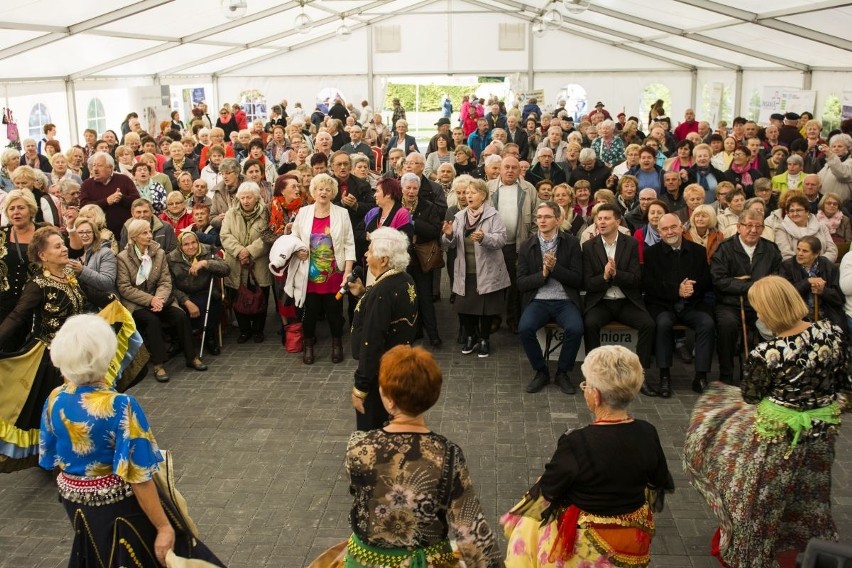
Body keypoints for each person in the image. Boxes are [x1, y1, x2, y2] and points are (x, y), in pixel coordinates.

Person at [685, 276, 849, 568]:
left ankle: (753, 557)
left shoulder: (767, 353)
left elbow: (750, 395)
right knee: (809, 500)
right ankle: (807, 554)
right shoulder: (832, 333)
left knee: (759, 506)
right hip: (821, 439)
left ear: (772, 310)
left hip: (778, 444)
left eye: (759, 309)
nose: (757, 315)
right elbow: (844, 383)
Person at [39, 314, 224, 567]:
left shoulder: (54, 398)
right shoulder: (120, 405)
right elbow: (139, 476)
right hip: (121, 512)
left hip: (77, 507)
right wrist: (163, 527)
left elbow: (50, 458)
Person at [323, 345, 501, 566]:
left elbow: (358, 493)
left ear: (390, 401)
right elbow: (471, 529)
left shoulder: (359, 446)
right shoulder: (447, 454)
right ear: (432, 397)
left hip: (365, 561)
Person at [502, 345, 674, 568]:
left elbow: (549, 490)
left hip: (590, 543)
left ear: (595, 395)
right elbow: (658, 480)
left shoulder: (577, 441)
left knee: (528, 526)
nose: (584, 390)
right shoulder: (648, 431)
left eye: (586, 385)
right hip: (633, 539)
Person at [0, 226, 112, 471]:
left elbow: (95, 296)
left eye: (63, 245)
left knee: (81, 405)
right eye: (57, 246)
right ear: (43, 255)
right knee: (60, 411)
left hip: (77, 354)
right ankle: (61, 462)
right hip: (51, 358)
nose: (64, 249)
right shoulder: (38, 284)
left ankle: (82, 452)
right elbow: (18, 315)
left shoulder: (70, 276)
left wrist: (113, 305)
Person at [343, 228, 420, 430]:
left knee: (373, 429)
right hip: (399, 368)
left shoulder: (383, 291)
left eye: (369, 251)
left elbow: (372, 341)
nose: (366, 255)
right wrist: (362, 293)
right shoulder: (405, 279)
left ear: (384, 260)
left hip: (380, 375)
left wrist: (360, 387)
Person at [117, 218, 208, 383]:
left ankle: (191, 357)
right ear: (134, 236)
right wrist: (150, 300)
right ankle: (158, 364)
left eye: (149, 231)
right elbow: (125, 288)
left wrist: (159, 298)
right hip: (137, 303)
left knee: (180, 315)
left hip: (161, 298)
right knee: (152, 321)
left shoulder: (158, 253)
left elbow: (165, 281)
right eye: (145, 233)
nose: (149, 235)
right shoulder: (123, 258)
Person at [582, 204, 657, 395]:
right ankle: (592, 378)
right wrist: (605, 277)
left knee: (648, 324)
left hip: (626, 301)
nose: (602, 222)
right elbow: (588, 283)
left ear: (618, 221)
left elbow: (635, 279)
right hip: (601, 301)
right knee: (589, 323)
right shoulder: (589, 246)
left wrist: (616, 274)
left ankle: (641, 377)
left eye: (606, 218)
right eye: (599, 219)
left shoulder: (630, 243)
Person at [287, 174, 356, 364]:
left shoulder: (342, 213)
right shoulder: (304, 212)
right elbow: (294, 239)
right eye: (320, 189)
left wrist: (348, 271)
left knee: (334, 313)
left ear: (332, 193)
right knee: (310, 313)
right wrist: (298, 251)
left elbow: (349, 244)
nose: (323, 192)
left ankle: (337, 345)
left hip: (334, 274)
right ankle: (308, 346)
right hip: (308, 274)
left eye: (327, 189)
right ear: (314, 191)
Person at [517, 201, 584, 395]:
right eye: (539, 217)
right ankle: (541, 371)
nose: (542, 221)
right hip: (538, 300)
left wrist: (555, 269)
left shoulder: (571, 242)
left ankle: (563, 372)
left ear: (558, 219)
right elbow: (521, 283)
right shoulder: (527, 245)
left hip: (565, 300)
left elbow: (577, 279)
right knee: (525, 328)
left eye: (547, 217)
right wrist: (544, 274)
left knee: (575, 328)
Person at [644, 214, 715, 396]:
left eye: (673, 227)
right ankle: (664, 377)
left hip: (692, 304)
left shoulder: (698, 251)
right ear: (659, 232)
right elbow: (649, 285)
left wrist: (691, 289)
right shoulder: (651, 253)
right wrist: (677, 290)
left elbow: (706, 280)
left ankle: (700, 377)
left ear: (682, 227)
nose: (670, 232)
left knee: (707, 323)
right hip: (663, 305)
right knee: (663, 324)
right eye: (665, 229)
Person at [710, 209, 782, 384]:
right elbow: (719, 280)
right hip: (731, 303)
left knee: (777, 325)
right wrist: (753, 285)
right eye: (749, 225)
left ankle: (764, 374)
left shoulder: (770, 249)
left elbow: (778, 277)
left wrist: (747, 285)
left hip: (763, 304)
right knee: (727, 325)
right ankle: (726, 375)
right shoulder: (725, 248)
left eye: (758, 226)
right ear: (739, 227)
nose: (753, 230)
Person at [442, 177, 510, 358]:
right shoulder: (459, 216)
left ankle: (484, 339)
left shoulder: (493, 215)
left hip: (487, 270)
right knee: (464, 307)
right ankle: (471, 337)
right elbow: (449, 244)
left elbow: (501, 239)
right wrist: (448, 236)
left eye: (472, 193)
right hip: (465, 270)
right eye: (466, 193)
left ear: (483, 196)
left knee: (485, 309)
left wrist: (484, 238)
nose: (468, 196)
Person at [220, 181, 271, 344]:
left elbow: (268, 237)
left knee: (260, 295)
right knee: (238, 295)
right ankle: (244, 330)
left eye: (249, 197)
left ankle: (258, 330)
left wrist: (249, 251)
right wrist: (239, 251)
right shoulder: (230, 214)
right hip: (236, 262)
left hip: (258, 262)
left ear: (256, 198)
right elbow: (225, 235)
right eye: (242, 198)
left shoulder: (266, 213)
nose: (246, 201)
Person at [167, 231, 230, 357]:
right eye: (186, 244)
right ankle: (179, 340)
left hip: (204, 290)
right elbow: (170, 286)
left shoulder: (207, 251)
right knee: (174, 309)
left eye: (193, 242)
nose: (191, 247)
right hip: (182, 293)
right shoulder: (171, 258)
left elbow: (226, 269)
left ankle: (209, 337)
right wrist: (186, 300)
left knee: (208, 302)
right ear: (180, 246)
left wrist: (205, 263)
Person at [400, 173, 443, 347]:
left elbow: (434, 231)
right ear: (401, 188)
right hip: (402, 260)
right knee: (407, 299)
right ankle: (413, 332)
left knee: (425, 297)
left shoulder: (428, 206)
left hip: (422, 260)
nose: (411, 192)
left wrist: (413, 222)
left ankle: (433, 334)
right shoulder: (395, 206)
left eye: (414, 188)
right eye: (408, 188)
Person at [0, 190, 41, 352]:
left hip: (34, 302)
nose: (16, 212)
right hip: (3, 301)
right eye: (12, 208)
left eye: (21, 208)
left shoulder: (43, 233)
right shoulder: (2, 234)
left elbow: (74, 251)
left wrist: (72, 228)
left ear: (31, 209)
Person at [779, 235, 845, 330]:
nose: (799, 253)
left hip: (826, 317)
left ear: (816, 253)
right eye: (798, 249)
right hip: (798, 317)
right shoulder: (787, 266)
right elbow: (785, 294)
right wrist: (807, 282)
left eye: (805, 251)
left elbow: (839, 299)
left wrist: (823, 291)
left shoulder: (828, 266)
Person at [80, 152, 140, 237]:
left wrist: (122, 198)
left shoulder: (124, 179)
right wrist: (106, 201)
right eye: (94, 165)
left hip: (126, 233)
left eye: (100, 165)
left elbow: (137, 201)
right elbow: (83, 206)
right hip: (98, 235)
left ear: (110, 168)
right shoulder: (86, 184)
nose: (95, 169)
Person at [774, 193, 837, 262]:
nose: (795, 214)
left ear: (807, 211)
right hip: (795, 269)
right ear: (787, 213)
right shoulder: (781, 228)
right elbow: (785, 254)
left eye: (798, 210)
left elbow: (832, 250)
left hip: (822, 267)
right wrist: (805, 265)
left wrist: (819, 263)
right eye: (791, 211)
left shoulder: (821, 226)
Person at [67, 216, 117, 298]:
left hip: (102, 302)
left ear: (94, 234)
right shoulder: (67, 253)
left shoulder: (106, 253)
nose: (85, 235)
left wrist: (82, 270)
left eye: (88, 232)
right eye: (80, 232)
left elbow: (108, 283)